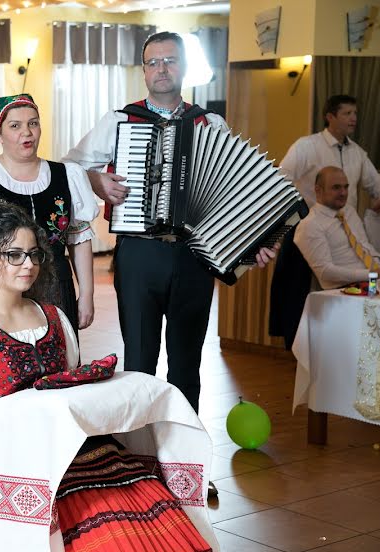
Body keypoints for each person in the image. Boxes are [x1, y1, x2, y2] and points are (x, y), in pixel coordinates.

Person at [0, 202, 214, 552]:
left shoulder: (55, 319)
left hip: (71, 450)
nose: (28, 264)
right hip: (1, 458)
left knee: (169, 538)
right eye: (14, 255)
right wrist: (21, 420)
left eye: (34, 254)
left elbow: (70, 393)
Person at [62, 33, 275, 501]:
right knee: (138, 362)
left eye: (169, 61)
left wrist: (252, 242)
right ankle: (137, 466)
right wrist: (100, 181)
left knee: (186, 365)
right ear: (144, 71)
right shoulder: (121, 120)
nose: (161, 69)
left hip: (194, 256)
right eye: (152, 62)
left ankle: (188, 467)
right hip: (139, 252)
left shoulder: (209, 122)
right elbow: (72, 167)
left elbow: (234, 188)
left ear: (183, 68)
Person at [0, 93, 99, 331]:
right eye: (15, 125)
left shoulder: (68, 176)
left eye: (33, 123)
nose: (27, 132)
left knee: (58, 362)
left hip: (55, 291)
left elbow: (79, 240)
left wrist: (87, 294)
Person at [279, 94, 380, 253]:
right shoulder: (306, 146)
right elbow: (281, 180)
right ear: (330, 117)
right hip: (306, 228)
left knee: (369, 272)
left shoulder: (357, 152)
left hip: (343, 232)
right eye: (347, 113)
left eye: (355, 113)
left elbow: (377, 184)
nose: (353, 118)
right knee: (295, 278)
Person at [294, 166, 380, 289]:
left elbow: (365, 246)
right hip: (348, 290)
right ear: (318, 190)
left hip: (375, 282)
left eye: (346, 187)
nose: (343, 193)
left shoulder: (349, 211)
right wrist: (371, 274)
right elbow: (325, 272)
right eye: (336, 187)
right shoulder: (309, 225)